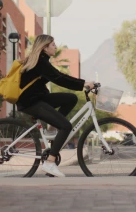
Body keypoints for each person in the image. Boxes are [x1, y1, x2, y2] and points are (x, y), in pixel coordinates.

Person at [17, 34, 95, 177]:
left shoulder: (42, 60)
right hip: (31, 102)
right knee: (66, 126)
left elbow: (60, 76)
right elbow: (60, 79)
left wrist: (82, 83)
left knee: (70, 99)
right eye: (53, 44)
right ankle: (50, 163)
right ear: (45, 47)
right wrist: (83, 84)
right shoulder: (40, 62)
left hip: (39, 98)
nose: (56, 47)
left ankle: (52, 128)